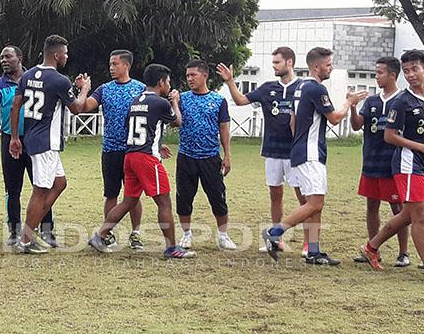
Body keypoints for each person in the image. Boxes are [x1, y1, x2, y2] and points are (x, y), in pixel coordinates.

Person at [261, 47, 367, 265]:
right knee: (316, 203)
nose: (331, 68)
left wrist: (297, 141)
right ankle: (275, 231)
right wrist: (349, 102)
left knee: (313, 201)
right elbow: (336, 118)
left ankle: (313, 251)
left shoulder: (299, 87)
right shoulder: (316, 89)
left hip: (300, 151)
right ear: (316, 67)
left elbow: (292, 120)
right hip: (310, 153)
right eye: (328, 65)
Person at [358, 50, 424, 285]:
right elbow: (390, 136)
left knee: (408, 215)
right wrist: (420, 147)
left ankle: (371, 247)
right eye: (407, 70)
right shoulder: (402, 102)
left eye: (414, 69)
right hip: (407, 164)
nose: (410, 74)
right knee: (420, 216)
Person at [88, 63, 195, 259]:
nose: (169, 86)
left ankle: (100, 234)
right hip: (147, 158)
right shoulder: (160, 103)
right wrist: (175, 102)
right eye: (168, 81)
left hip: (130, 155)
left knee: (129, 200)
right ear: (161, 82)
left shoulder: (135, 100)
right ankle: (172, 248)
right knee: (164, 203)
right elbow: (177, 121)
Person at [218, 46, 310, 256]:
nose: (274, 67)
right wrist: (230, 81)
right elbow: (241, 101)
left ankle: (308, 243)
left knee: (304, 199)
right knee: (275, 195)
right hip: (272, 151)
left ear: (289, 63)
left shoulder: (304, 88)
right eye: (273, 63)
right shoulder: (267, 88)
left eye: (277, 63)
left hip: (297, 153)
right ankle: (276, 240)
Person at [9, 34, 91, 254]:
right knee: (40, 190)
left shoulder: (28, 75)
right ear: (56, 55)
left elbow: (16, 106)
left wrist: (15, 137)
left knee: (59, 183)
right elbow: (77, 108)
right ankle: (25, 240)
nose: (66, 56)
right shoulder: (59, 79)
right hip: (46, 141)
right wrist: (84, 89)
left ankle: (30, 228)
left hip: (34, 138)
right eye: (65, 53)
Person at [0, 45, 54, 247]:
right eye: (2, 57)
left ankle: (47, 230)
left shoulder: (33, 79)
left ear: (19, 58)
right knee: (12, 188)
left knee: (42, 185)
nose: (4, 60)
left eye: (8, 57)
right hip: (10, 141)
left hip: (34, 138)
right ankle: (14, 230)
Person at [81, 50, 146, 249]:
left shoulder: (140, 88)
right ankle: (108, 233)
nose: (111, 67)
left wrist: (157, 143)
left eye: (115, 64)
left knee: (132, 195)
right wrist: (83, 89)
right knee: (111, 194)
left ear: (126, 65)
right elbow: (86, 107)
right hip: (110, 149)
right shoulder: (104, 89)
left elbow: (149, 117)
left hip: (133, 150)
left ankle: (136, 233)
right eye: (110, 64)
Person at [349, 57, 410, 267]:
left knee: (399, 209)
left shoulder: (403, 100)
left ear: (392, 75)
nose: (376, 77)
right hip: (371, 162)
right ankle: (373, 250)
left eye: (380, 73)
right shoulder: (373, 101)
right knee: (371, 205)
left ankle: (404, 253)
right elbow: (357, 125)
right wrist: (353, 107)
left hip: (393, 164)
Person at [176, 59, 235, 251]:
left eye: (193, 75)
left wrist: (227, 155)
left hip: (210, 156)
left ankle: (223, 235)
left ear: (205, 76)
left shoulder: (218, 101)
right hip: (186, 156)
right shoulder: (182, 98)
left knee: (217, 197)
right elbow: (173, 121)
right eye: (187, 76)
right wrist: (174, 102)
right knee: (184, 197)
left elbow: (224, 128)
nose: (190, 79)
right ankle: (186, 234)